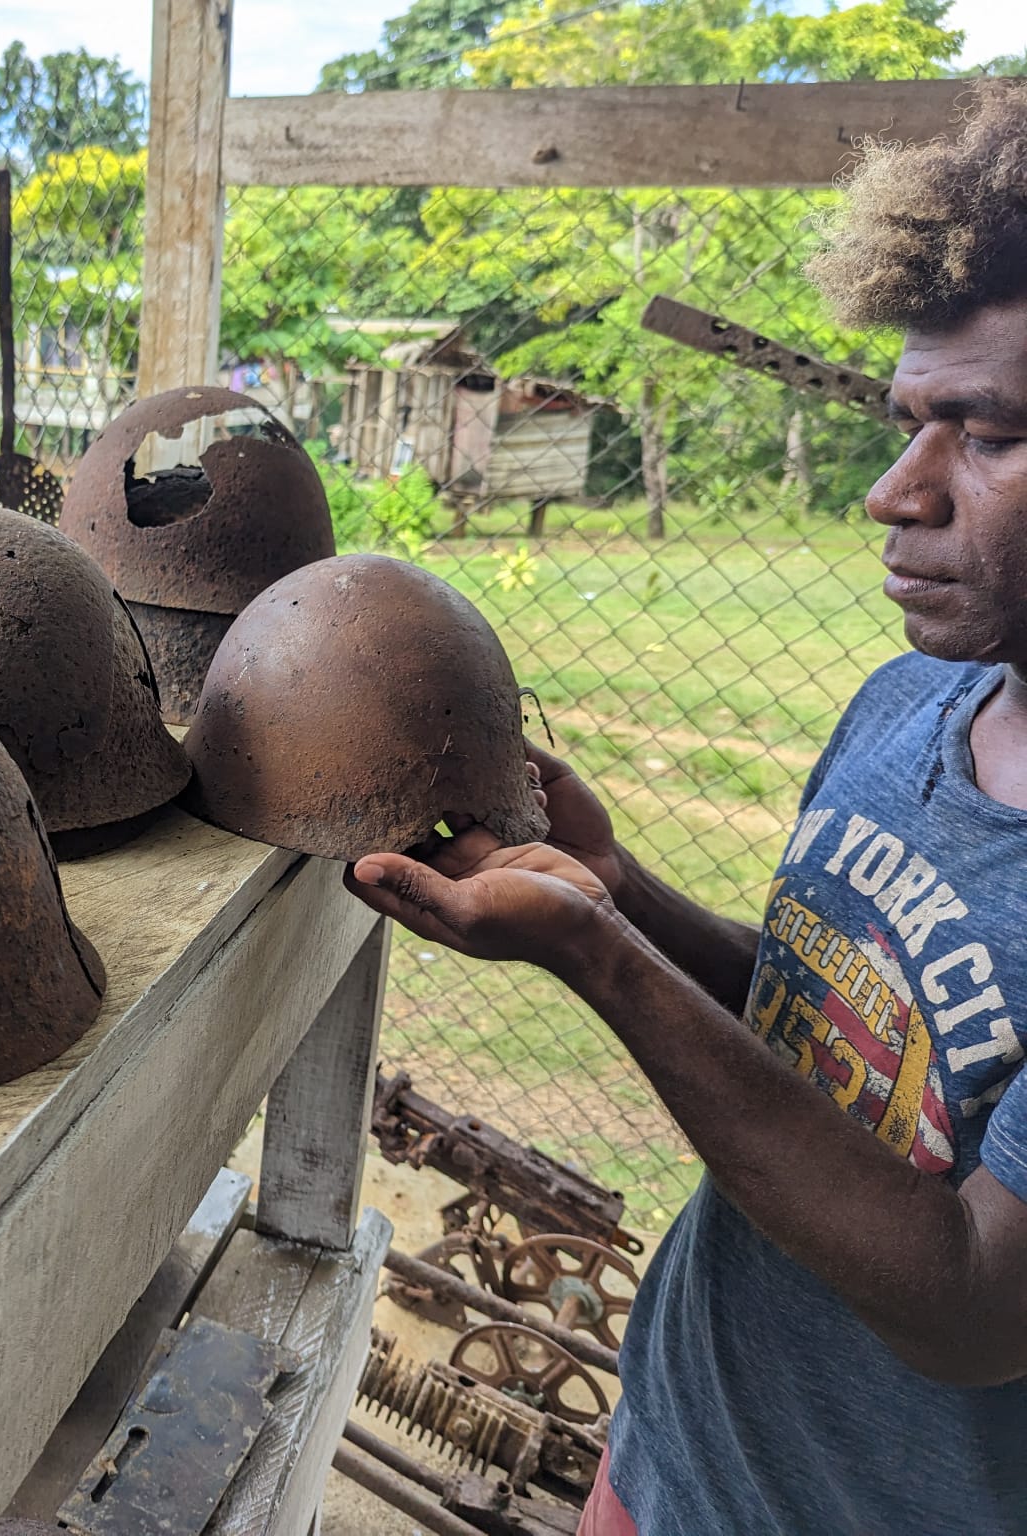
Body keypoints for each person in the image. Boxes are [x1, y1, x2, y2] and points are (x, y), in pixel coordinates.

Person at [350, 79, 1027, 1536]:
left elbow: (971, 1303)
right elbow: (821, 1029)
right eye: (908, 422)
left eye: (982, 434)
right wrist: (624, 890)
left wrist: (594, 958)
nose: (896, 493)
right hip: (679, 1444)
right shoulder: (912, 706)